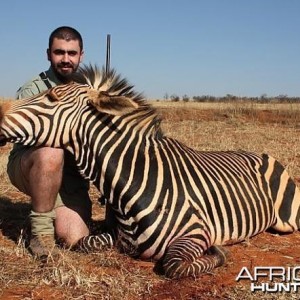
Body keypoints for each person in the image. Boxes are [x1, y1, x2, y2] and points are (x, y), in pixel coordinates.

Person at [7, 26, 92, 261]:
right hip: (33, 162)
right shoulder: (33, 89)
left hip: (71, 176)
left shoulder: (88, 90)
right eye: (59, 52)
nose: (66, 59)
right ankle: (41, 233)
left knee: (75, 237)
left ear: (81, 55)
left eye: (72, 53)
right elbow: (28, 137)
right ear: (48, 54)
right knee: (51, 152)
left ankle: (49, 210)